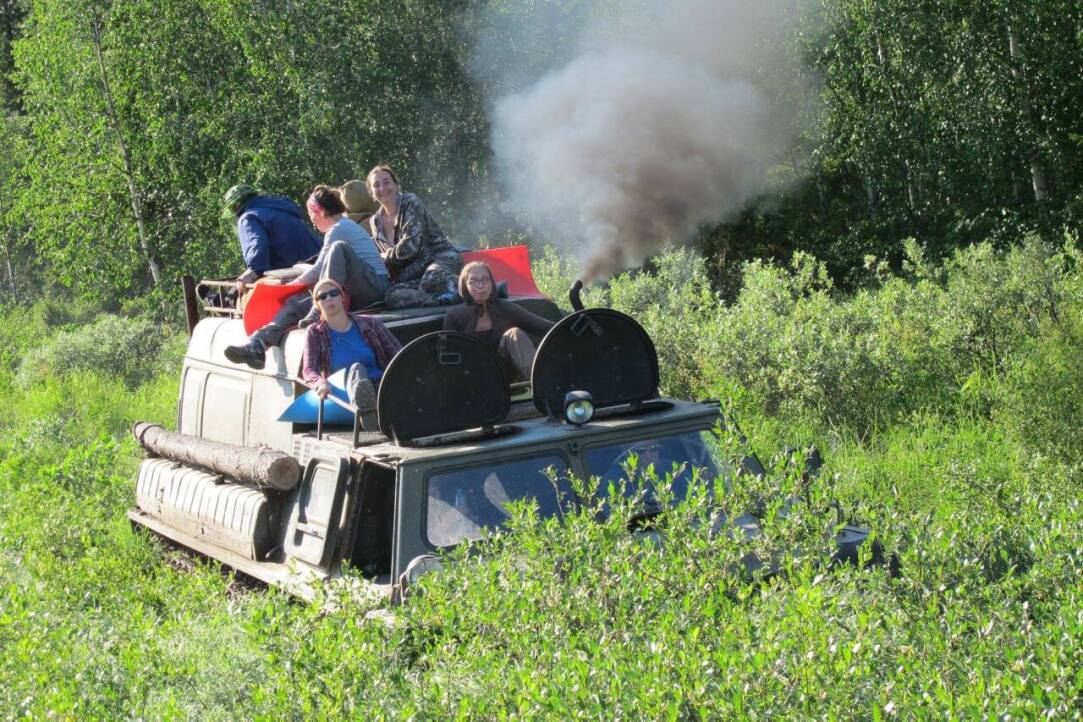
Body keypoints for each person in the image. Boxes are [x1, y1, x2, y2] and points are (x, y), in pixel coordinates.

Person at [225, 185, 389, 369]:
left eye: (311, 214)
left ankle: (317, 310)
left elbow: (320, 268)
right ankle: (259, 344)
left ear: (319, 212)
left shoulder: (339, 229)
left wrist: (292, 284)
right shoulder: (338, 228)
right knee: (296, 303)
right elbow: (323, 267)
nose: (311, 220)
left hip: (374, 287)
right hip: (358, 287)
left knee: (338, 249)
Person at [301, 278, 402, 429]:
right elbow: (309, 370)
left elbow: (397, 354)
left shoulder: (370, 323)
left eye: (333, 293)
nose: (329, 298)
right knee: (356, 369)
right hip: (342, 391)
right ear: (317, 304)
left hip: (379, 383)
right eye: (322, 297)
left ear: (342, 297)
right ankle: (366, 412)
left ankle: (374, 407)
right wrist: (320, 383)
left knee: (383, 384)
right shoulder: (315, 332)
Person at [367, 165, 463, 308]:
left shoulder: (410, 202)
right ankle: (442, 299)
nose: (382, 188)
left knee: (431, 278)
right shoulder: (375, 222)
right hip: (414, 273)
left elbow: (411, 246)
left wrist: (386, 256)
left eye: (387, 182)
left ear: (396, 185)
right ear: (372, 192)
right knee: (392, 294)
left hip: (439, 257)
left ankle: (483, 287)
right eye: (376, 185)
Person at [442, 261, 555, 381]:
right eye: (473, 281)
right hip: (471, 378)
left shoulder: (505, 308)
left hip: (504, 374)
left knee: (514, 333)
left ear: (492, 283)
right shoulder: (454, 315)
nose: (481, 286)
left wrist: (571, 324)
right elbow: (446, 356)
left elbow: (544, 327)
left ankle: (542, 383)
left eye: (485, 280)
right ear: (465, 285)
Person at [221, 184, 320, 293]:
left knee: (241, 291)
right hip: (318, 265)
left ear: (236, 206)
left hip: (293, 274)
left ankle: (228, 297)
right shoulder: (283, 206)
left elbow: (258, 251)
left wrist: (249, 274)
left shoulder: (248, 218)